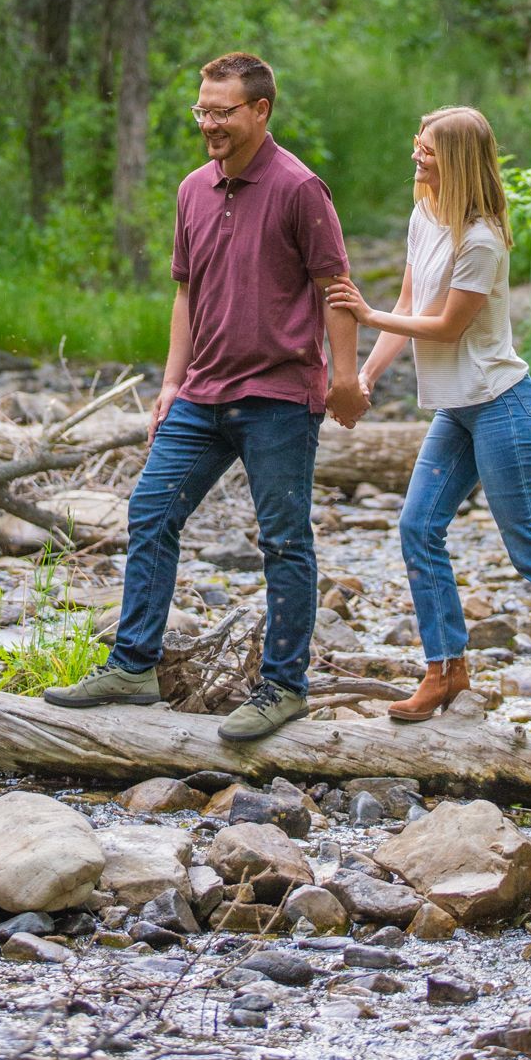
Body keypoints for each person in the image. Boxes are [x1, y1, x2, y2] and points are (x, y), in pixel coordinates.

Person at [45, 51, 368, 741]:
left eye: (222, 112)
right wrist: (169, 383)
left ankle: (282, 686)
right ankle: (133, 666)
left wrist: (344, 378)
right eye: (201, 110)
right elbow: (185, 292)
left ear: (260, 110)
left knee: (283, 540)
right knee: (150, 513)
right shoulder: (193, 188)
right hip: (200, 395)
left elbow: (335, 291)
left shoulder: (299, 189)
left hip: (279, 394)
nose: (208, 124)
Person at [326, 105, 531, 743]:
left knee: (530, 548)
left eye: (426, 149)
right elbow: (408, 305)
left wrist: (367, 317)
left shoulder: (481, 238)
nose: (415, 157)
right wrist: (366, 375)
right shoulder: (425, 214)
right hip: (457, 407)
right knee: (418, 527)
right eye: (415, 144)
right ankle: (446, 669)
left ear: (454, 159)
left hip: (502, 404)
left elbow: (447, 326)